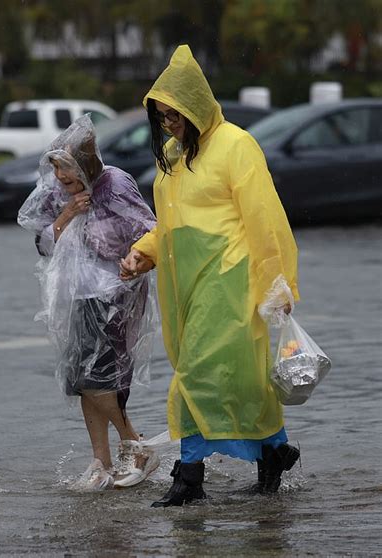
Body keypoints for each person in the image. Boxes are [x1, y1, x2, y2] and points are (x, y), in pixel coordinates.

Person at [120, 45, 301, 507]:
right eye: (160, 117)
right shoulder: (176, 156)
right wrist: (146, 252)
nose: (168, 124)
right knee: (241, 380)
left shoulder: (236, 145)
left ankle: (189, 479)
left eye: (175, 115)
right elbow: (175, 223)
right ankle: (275, 454)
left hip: (230, 279)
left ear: (196, 108)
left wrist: (277, 284)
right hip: (187, 286)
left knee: (197, 374)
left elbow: (264, 217)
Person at [18, 115, 159, 491]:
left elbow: (149, 233)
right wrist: (66, 215)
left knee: (102, 380)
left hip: (112, 295)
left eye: (68, 174)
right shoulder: (60, 196)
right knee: (82, 381)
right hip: (76, 295)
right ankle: (101, 461)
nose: (63, 182)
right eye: (59, 174)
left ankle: (138, 446)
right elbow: (43, 244)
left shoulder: (114, 185)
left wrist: (135, 262)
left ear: (86, 165)